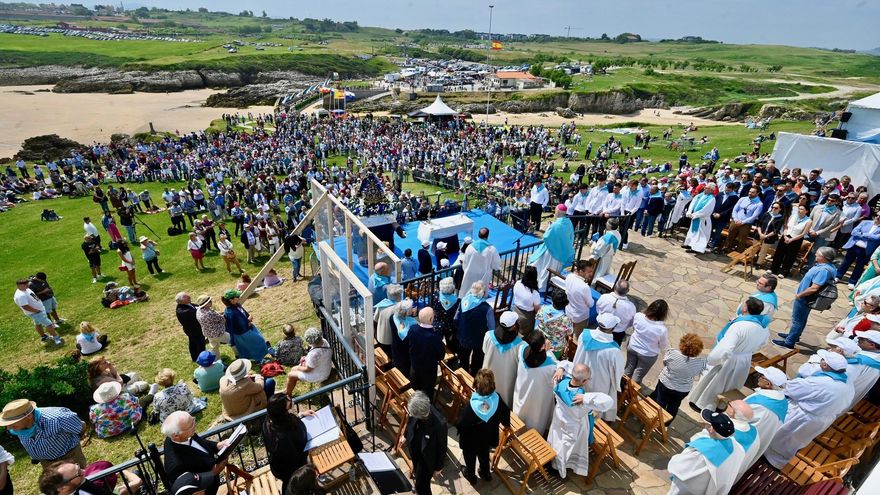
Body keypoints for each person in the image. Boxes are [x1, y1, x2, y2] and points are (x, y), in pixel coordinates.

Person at [765, 350, 855, 469]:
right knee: (796, 441)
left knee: (782, 436)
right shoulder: (849, 384)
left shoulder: (820, 382)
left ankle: (769, 458)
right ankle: (779, 460)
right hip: (823, 420)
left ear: (824, 365)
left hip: (803, 417)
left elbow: (792, 390)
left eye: (822, 359)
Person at [689, 297, 768, 411]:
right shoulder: (763, 327)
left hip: (730, 359)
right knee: (731, 383)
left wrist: (712, 359)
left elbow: (726, 348)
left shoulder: (740, 326)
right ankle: (721, 405)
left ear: (745, 309)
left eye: (743, 303)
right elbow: (763, 342)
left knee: (716, 383)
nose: (741, 304)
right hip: (745, 358)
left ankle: (705, 404)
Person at [548, 362, 614, 479]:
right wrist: (586, 397)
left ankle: (554, 462)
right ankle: (559, 467)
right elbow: (608, 401)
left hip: (559, 417)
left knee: (557, 439)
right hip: (574, 426)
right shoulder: (582, 400)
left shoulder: (559, 380)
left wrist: (560, 368)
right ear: (584, 381)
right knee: (567, 447)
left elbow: (567, 364)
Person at [774, 246, 837, 349]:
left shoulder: (823, 270)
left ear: (824, 257)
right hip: (806, 297)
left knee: (797, 321)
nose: (815, 254)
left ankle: (789, 342)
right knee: (801, 319)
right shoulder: (828, 266)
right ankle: (794, 336)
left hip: (805, 298)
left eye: (818, 254)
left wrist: (800, 295)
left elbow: (814, 288)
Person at [666, 410, 741, 495]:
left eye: (708, 423)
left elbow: (678, 468)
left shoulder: (701, 452)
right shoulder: (736, 448)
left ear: (711, 429)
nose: (705, 425)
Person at [456, 369, 510, 485]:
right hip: (487, 438)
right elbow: (505, 413)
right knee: (484, 454)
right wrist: (506, 424)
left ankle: (471, 476)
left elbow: (461, 424)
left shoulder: (471, 407)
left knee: (470, 458)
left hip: (471, 441)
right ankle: (485, 473)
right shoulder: (497, 399)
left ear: (476, 385)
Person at [569, 313, 623, 423]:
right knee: (596, 403)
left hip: (580, 375)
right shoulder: (614, 351)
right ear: (612, 328)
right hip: (600, 381)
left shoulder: (584, 335)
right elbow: (618, 371)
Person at [0, 399, 86, 468]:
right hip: (46, 463)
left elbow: (81, 426)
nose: (9, 428)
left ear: (29, 416)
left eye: (12, 423)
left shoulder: (58, 419)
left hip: (70, 457)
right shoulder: (17, 427)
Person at [161, 411, 230, 495]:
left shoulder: (185, 433)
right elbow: (187, 483)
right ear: (176, 436)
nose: (195, 424)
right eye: (191, 425)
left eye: (193, 420)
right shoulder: (175, 465)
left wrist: (217, 445)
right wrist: (214, 472)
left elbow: (199, 442)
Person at [262, 394, 314, 495]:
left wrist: (300, 415)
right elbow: (302, 442)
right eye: (289, 405)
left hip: (278, 469)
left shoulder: (267, 423)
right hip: (295, 468)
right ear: (283, 412)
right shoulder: (288, 433)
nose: (292, 404)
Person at [649, 334, 707, 423]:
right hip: (683, 390)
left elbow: (665, 363)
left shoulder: (672, 353)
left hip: (666, 383)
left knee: (661, 401)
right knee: (674, 406)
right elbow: (698, 374)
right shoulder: (701, 363)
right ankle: (666, 424)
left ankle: (655, 420)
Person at [512, 331, 558, 435]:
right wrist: (548, 351)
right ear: (542, 347)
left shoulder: (522, 350)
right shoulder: (551, 365)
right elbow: (560, 368)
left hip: (521, 395)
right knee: (535, 421)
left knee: (520, 417)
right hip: (537, 402)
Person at [401, 392, 447, 495]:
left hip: (427, 458)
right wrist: (405, 435)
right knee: (417, 473)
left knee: (422, 486)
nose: (411, 415)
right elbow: (410, 420)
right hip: (415, 447)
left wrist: (439, 467)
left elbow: (442, 447)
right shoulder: (418, 405)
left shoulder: (440, 425)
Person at [742, 366, 789, 464]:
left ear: (768, 384)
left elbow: (740, 418)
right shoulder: (782, 400)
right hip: (760, 440)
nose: (758, 377)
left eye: (761, 376)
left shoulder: (760, 404)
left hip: (743, 440)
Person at [481, 311, 525, 407]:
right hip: (506, 384)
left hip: (487, 380)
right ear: (514, 326)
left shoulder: (488, 335)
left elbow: (484, 350)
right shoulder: (521, 345)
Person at [528, 205, 575, 291]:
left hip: (552, 252)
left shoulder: (556, 225)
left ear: (557, 212)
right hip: (562, 252)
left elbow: (546, 236)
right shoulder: (569, 222)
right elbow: (571, 236)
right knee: (553, 271)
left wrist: (550, 227)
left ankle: (541, 286)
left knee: (543, 269)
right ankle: (549, 286)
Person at [624, 299, 670, 384]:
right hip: (648, 355)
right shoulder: (662, 329)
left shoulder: (638, 316)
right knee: (637, 375)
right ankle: (631, 391)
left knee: (628, 368)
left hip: (632, 347)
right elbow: (663, 345)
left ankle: (621, 386)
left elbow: (634, 328)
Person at [455, 281, 496, 376]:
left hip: (464, 337)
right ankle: (474, 377)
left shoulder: (463, 301)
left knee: (463, 359)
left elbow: (456, 319)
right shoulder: (487, 308)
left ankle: (463, 376)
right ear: (483, 293)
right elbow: (492, 328)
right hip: (479, 339)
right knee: (477, 362)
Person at [39, 461, 142, 495]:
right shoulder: (85, 490)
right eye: (78, 473)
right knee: (137, 480)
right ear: (63, 488)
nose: (84, 471)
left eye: (78, 467)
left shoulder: (79, 485)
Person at [221, 289, 269, 361]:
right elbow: (239, 324)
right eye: (237, 296)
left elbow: (243, 313)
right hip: (243, 333)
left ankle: (255, 357)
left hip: (248, 329)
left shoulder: (237, 305)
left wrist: (248, 316)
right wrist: (248, 320)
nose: (239, 297)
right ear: (231, 300)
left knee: (256, 342)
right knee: (256, 343)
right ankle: (259, 358)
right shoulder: (230, 312)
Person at [836, 211, 880, 288]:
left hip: (866, 250)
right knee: (846, 262)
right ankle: (838, 276)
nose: (877, 217)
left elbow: (876, 238)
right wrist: (868, 236)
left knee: (859, 266)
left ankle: (852, 282)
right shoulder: (865, 222)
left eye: (879, 216)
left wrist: (862, 234)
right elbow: (854, 232)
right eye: (877, 215)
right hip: (854, 246)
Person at [408, 307, 445, 396]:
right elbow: (441, 355)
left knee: (415, 391)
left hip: (415, 368)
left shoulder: (412, 329)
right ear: (431, 319)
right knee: (427, 394)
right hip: (428, 371)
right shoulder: (435, 337)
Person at [284, 327, 332, 395]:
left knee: (291, 375)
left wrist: (298, 367)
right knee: (293, 370)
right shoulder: (324, 341)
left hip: (320, 375)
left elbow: (308, 369)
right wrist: (306, 359)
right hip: (324, 369)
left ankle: (288, 393)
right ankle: (288, 388)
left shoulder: (314, 354)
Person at [13, 278, 62, 345]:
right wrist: (36, 311)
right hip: (35, 312)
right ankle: (56, 338)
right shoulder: (20, 295)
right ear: (20, 285)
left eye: (27, 284)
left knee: (37, 323)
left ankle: (44, 337)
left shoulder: (26, 289)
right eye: (26, 284)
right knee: (48, 324)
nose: (28, 285)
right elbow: (25, 306)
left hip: (39, 310)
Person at [457, 227, 502, 298]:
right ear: (488, 235)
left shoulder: (470, 247)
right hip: (484, 275)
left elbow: (465, 262)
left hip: (470, 274)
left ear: (478, 235)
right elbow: (496, 264)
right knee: (481, 295)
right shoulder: (492, 249)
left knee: (467, 293)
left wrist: (466, 270)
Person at [770, 204, 812, 278]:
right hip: (786, 236)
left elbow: (803, 233)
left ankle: (784, 272)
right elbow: (786, 226)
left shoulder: (808, 221)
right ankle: (773, 269)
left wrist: (791, 239)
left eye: (801, 209)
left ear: (806, 211)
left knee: (790, 256)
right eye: (799, 208)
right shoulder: (792, 216)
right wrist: (785, 236)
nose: (799, 210)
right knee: (779, 253)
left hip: (796, 239)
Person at [845, 330, 880, 410]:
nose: (858, 339)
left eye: (862, 339)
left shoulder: (860, 361)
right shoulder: (876, 360)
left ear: (871, 345)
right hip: (851, 397)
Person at [724, 400, 759, 480]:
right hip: (734, 475)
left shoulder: (726, 429)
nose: (727, 405)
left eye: (729, 404)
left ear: (732, 412)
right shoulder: (755, 432)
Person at [596, 280, 637, 346]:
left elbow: (598, 310)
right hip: (617, 334)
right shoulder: (631, 307)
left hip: (602, 328)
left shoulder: (604, 297)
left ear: (615, 287)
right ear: (628, 291)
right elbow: (631, 323)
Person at [723, 187, 763, 253]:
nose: (750, 193)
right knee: (730, 236)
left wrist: (742, 222)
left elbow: (754, 216)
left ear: (757, 193)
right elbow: (735, 209)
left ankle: (739, 254)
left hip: (746, 224)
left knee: (741, 240)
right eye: (749, 191)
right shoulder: (742, 199)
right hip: (735, 221)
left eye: (752, 192)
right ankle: (726, 250)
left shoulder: (759, 204)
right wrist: (735, 219)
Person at [536, 291, 574, 359]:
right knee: (552, 361)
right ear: (566, 304)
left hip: (539, 339)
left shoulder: (543, 308)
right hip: (555, 346)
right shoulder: (566, 319)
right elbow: (570, 332)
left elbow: (538, 317)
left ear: (553, 299)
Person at [565, 260, 596, 338]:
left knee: (568, 334)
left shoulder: (569, 276)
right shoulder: (584, 287)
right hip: (580, 317)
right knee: (577, 338)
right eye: (589, 272)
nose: (591, 274)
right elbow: (591, 304)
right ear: (581, 272)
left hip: (569, 312)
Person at [683, 183, 717, 254]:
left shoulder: (711, 199)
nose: (705, 188)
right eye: (705, 187)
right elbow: (692, 203)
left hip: (702, 219)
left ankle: (696, 248)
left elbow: (706, 210)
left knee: (700, 235)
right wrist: (689, 212)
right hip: (694, 217)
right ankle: (690, 244)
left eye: (707, 188)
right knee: (692, 232)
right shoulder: (700, 195)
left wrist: (694, 215)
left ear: (711, 190)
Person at [430, 278, 459, 355]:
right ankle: (451, 356)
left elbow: (432, 308)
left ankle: (437, 354)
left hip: (437, 324)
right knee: (450, 344)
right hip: (450, 325)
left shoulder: (435, 296)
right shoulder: (457, 300)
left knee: (436, 342)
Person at [176, 292, 206, 362]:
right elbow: (197, 314)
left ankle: (195, 357)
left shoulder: (187, 304)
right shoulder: (183, 311)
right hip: (194, 330)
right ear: (181, 301)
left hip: (193, 329)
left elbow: (196, 306)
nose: (189, 296)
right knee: (200, 344)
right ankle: (203, 359)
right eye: (186, 296)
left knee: (193, 343)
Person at [590, 218, 621, 284]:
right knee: (605, 271)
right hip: (609, 256)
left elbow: (598, 250)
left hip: (603, 257)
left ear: (609, 226)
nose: (605, 224)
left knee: (599, 272)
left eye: (606, 223)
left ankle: (594, 283)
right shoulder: (618, 234)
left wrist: (594, 243)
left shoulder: (608, 236)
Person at [512, 266, 542, 333]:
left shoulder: (518, 283)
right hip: (526, 317)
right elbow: (537, 310)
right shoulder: (534, 294)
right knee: (526, 335)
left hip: (515, 310)